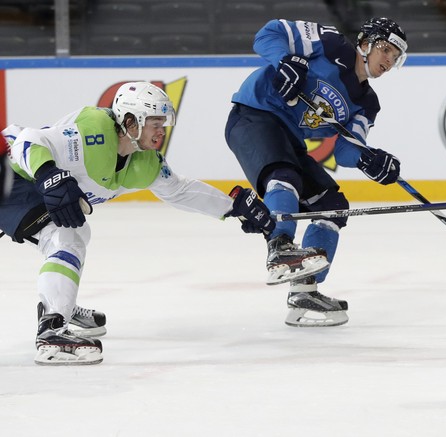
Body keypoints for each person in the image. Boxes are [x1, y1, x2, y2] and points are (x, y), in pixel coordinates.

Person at [0, 82, 275, 365]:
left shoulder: (146, 163)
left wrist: (233, 206)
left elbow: (180, 191)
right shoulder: (92, 129)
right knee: (68, 237)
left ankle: (59, 308)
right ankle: (52, 332)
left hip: (31, 191)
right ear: (130, 121)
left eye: (163, 123)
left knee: (74, 233)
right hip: (13, 180)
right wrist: (49, 175)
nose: (161, 131)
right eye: (154, 122)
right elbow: (28, 140)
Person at [225, 17, 408, 327]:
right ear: (365, 42)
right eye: (385, 49)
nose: (388, 60)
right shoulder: (331, 43)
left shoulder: (366, 103)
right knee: (285, 177)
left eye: (395, 56)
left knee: (332, 206)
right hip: (254, 115)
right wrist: (285, 61)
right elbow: (268, 33)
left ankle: (304, 291)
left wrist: (369, 161)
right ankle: (280, 248)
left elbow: (346, 149)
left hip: (290, 138)